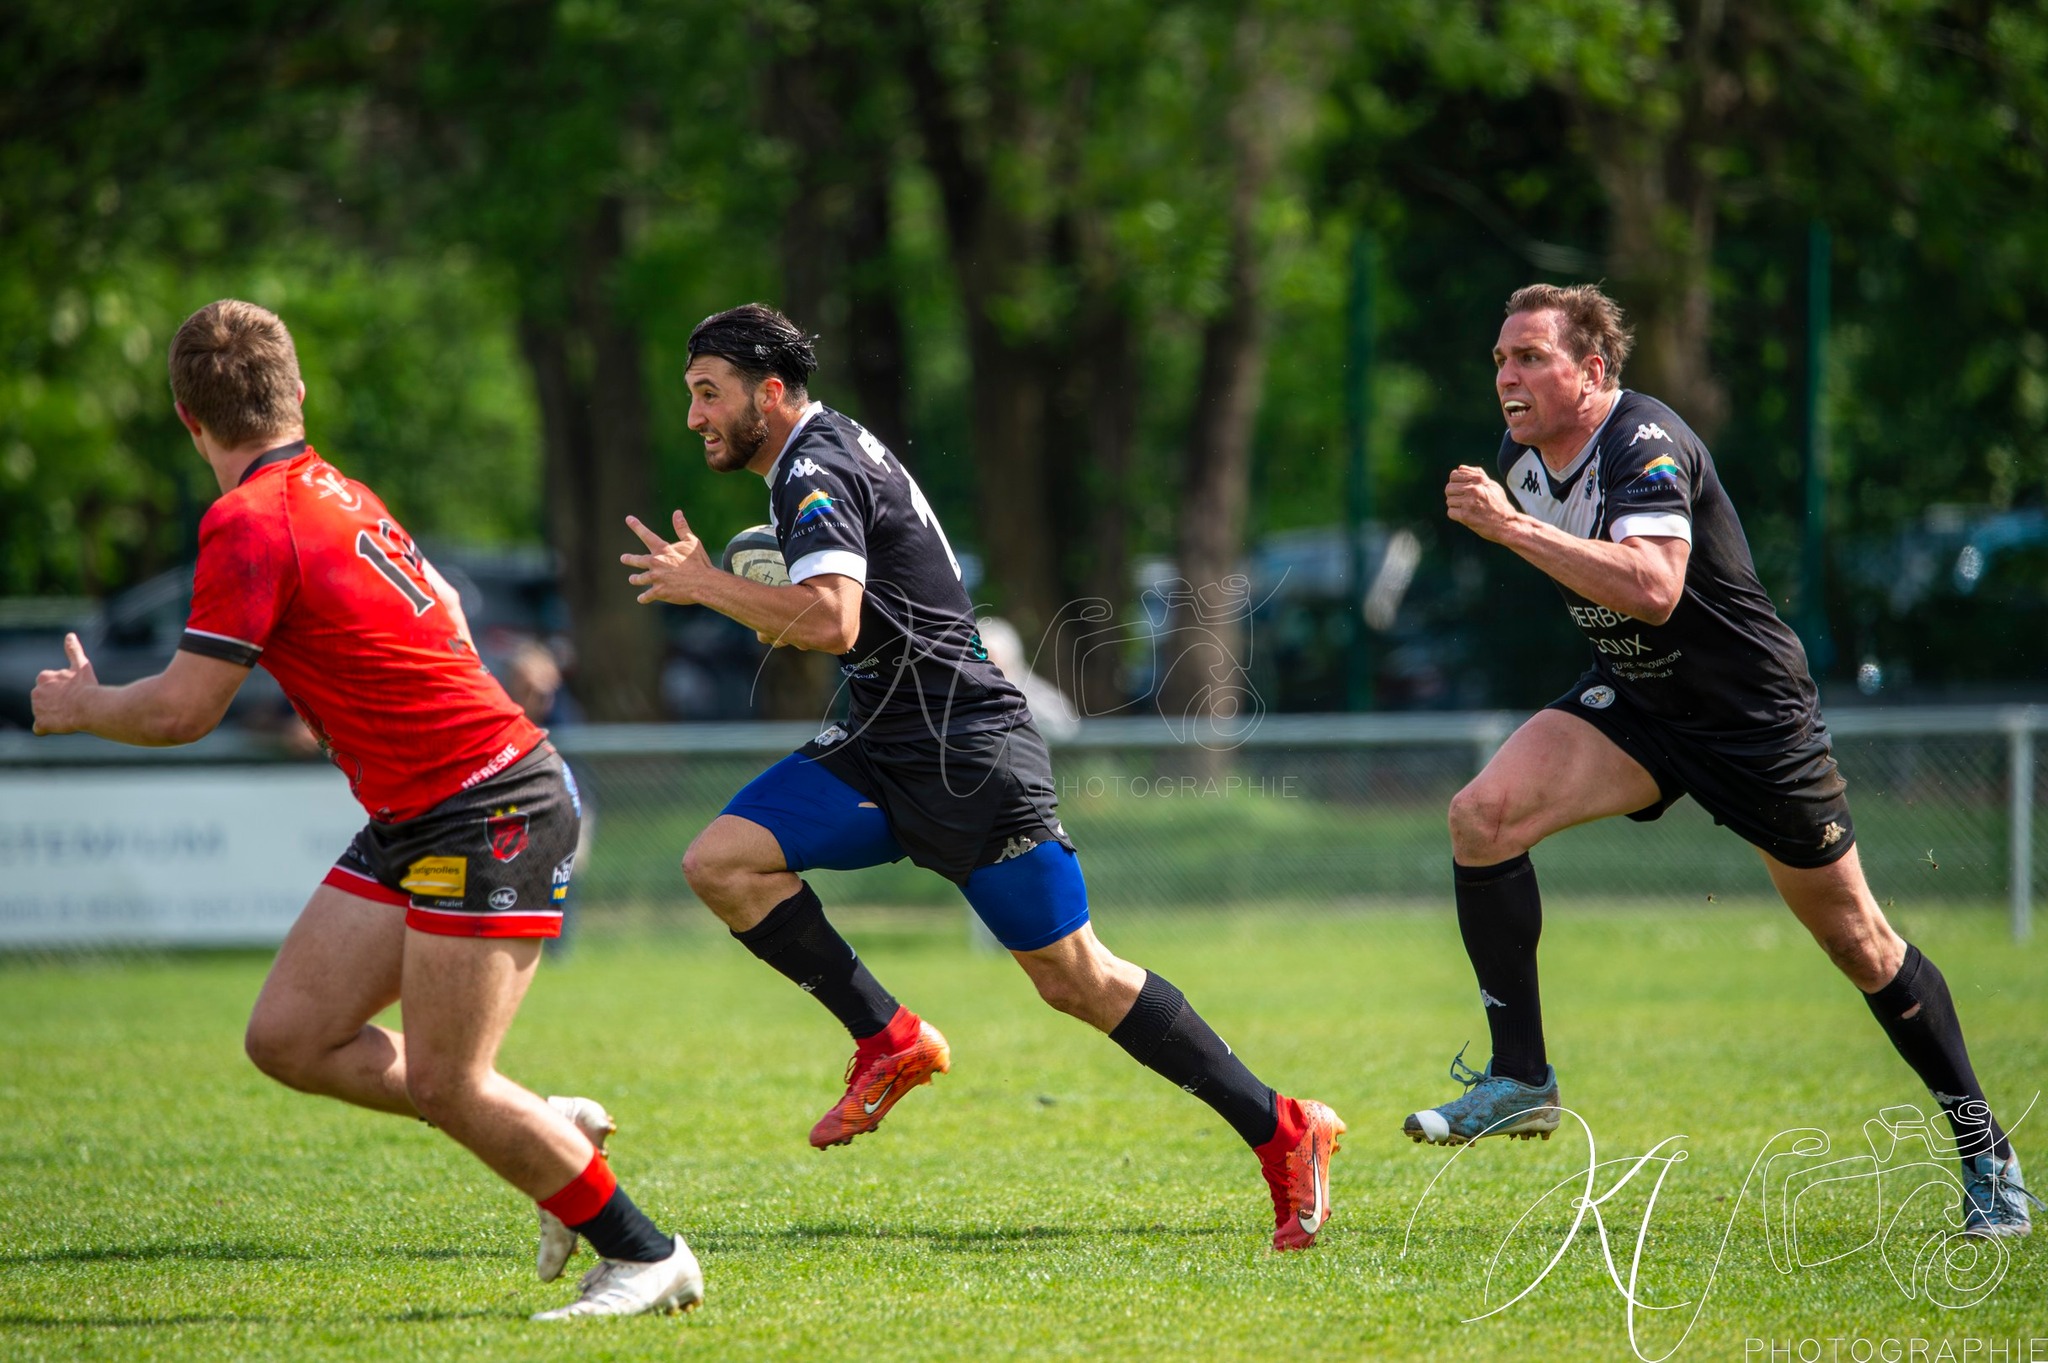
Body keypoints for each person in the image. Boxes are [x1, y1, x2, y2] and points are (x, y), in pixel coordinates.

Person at [620, 303, 1344, 1251]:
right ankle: (888, 1037)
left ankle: (1284, 1127)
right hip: (884, 737)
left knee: (1077, 978)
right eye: (690, 396)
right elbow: (847, 620)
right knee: (723, 861)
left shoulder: (812, 465)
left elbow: (832, 620)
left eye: (707, 394)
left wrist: (707, 584)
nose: (694, 416)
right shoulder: (820, 453)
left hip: (967, 754)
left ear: (768, 391)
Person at [29, 300, 704, 1315]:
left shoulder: (249, 519)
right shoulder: (333, 488)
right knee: (291, 1037)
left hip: (486, 805)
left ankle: (645, 1253)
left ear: (187, 419)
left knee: (447, 1081)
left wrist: (82, 706)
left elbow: (182, 711)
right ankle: (537, 1127)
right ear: (297, 394)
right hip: (426, 810)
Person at [1404, 282, 2039, 1238]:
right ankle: (1522, 1076)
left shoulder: (1644, 440)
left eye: (1531, 357)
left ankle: (1988, 1152)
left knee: (1859, 941)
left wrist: (1509, 528)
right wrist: (1520, 522)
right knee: (1480, 817)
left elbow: (1656, 590)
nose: (1507, 376)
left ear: (1595, 371)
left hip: (1752, 721)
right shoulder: (1524, 459)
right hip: (1643, 701)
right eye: (1501, 359)